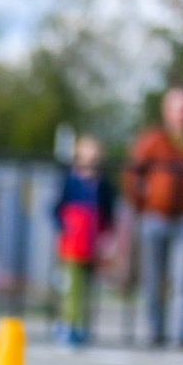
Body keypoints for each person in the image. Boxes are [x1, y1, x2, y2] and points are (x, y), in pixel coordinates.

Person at [125, 86, 183, 348]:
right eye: (179, 110)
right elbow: (133, 174)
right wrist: (142, 205)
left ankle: (181, 335)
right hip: (154, 218)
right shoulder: (152, 140)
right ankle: (155, 331)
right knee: (152, 280)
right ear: (167, 112)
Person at [52, 135, 116, 346]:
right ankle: (67, 324)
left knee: (88, 289)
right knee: (71, 287)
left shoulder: (103, 185)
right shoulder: (70, 181)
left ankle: (81, 325)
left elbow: (109, 216)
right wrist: (64, 228)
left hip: (92, 244)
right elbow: (56, 209)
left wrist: (107, 240)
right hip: (72, 244)